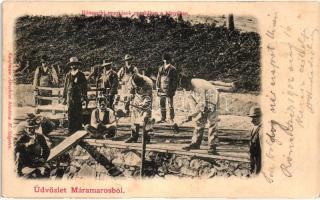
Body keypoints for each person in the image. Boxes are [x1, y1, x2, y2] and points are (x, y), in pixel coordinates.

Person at [182, 79, 220, 154]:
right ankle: (195, 143)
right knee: (199, 121)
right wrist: (192, 115)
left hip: (212, 96)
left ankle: (212, 146)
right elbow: (193, 104)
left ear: (189, 84)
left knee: (211, 122)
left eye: (186, 87)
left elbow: (202, 104)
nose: (185, 89)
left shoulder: (198, 87)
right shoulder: (188, 90)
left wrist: (192, 114)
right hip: (202, 99)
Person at [125, 73, 153, 143]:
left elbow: (148, 97)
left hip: (145, 99)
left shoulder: (148, 83)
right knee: (134, 118)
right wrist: (129, 99)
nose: (138, 87)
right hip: (137, 98)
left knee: (146, 118)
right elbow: (131, 91)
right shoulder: (132, 80)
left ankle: (146, 137)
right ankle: (134, 136)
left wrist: (143, 105)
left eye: (139, 85)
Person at [63, 57, 88, 134]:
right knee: (70, 113)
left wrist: (84, 96)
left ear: (77, 65)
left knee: (78, 112)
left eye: (75, 65)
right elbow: (65, 87)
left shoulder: (81, 75)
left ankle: (78, 129)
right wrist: (64, 97)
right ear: (70, 66)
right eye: (72, 65)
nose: (73, 66)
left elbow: (85, 87)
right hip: (70, 97)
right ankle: (70, 130)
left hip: (78, 96)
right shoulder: (68, 75)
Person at [156, 53, 178, 123]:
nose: (166, 61)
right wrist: (157, 87)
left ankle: (171, 118)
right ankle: (163, 118)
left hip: (169, 89)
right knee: (162, 104)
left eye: (167, 60)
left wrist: (173, 90)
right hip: (162, 89)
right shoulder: (161, 68)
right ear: (163, 60)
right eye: (164, 60)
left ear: (170, 60)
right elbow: (158, 79)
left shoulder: (173, 69)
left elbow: (175, 81)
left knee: (170, 105)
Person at [248, 106, 262, 174]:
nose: (252, 120)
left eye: (254, 118)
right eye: (251, 118)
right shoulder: (254, 128)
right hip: (254, 160)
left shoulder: (262, 130)